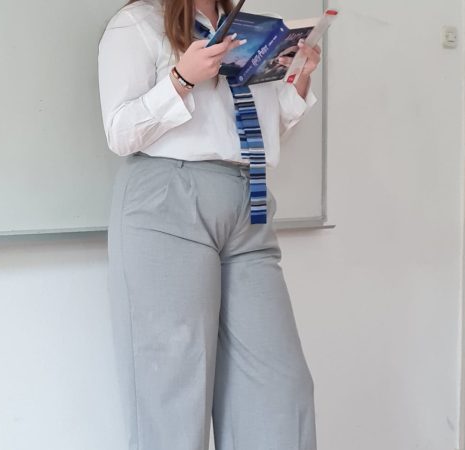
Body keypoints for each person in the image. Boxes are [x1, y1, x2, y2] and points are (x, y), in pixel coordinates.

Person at [97, 0, 321, 448]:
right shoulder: (137, 24)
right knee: (173, 389)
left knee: (280, 388)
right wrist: (181, 79)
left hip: (247, 200)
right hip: (168, 200)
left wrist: (297, 79)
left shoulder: (249, 29)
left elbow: (246, 129)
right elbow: (119, 132)